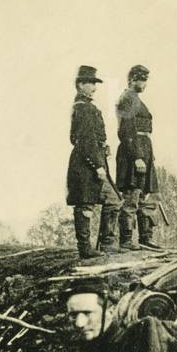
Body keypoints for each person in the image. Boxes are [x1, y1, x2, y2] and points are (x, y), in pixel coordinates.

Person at [66, 64, 123, 259]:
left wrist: (103, 147)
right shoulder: (83, 108)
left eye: (94, 83)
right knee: (85, 205)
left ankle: (106, 243)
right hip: (85, 164)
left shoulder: (86, 107)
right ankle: (85, 248)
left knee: (113, 200)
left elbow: (83, 138)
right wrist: (98, 165)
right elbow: (84, 140)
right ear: (80, 85)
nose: (94, 87)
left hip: (93, 160)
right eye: (90, 83)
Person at [116, 64, 162, 251]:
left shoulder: (135, 99)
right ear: (132, 79)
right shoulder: (127, 98)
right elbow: (126, 129)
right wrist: (137, 157)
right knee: (131, 196)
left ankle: (146, 237)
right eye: (141, 79)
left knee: (145, 196)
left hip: (144, 150)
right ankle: (126, 240)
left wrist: (148, 156)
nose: (144, 83)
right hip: (133, 153)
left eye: (145, 80)